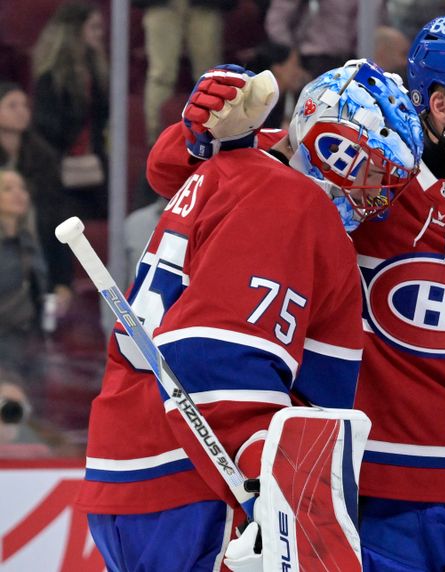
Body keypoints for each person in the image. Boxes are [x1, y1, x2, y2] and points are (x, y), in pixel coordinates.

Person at [155, 16, 445, 570]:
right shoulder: (361, 172)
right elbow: (192, 175)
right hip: (366, 500)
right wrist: (199, 131)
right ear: (439, 104)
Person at [77, 61, 423, 571]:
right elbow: (221, 353)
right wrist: (272, 483)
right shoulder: (291, 199)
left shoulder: (232, 169)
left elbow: (182, 162)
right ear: (333, 146)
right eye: (371, 170)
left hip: (136, 463)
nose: (376, 196)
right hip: (202, 480)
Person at [31, 0, 110, 221]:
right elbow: (48, 128)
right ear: (75, 31)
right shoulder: (50, 80)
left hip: (95, 169)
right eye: (93, 27)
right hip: (59, 174)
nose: (100, 34)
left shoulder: (99, 74)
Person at [0, 82, 72, 320]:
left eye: (24, 105)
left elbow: (57, 218)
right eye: (12, 105)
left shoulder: (43, 157)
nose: (22, 111)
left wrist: (63, 281)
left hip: (38, 251)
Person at [135, 0, 235, 144]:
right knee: (161, 75)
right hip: (162, 6)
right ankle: (157, 140)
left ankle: (213, 137)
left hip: (205, 6)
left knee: (210, 75)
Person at [0, 169, 49, 380]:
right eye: (8, 189)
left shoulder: (30, 242)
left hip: (31, 343)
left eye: (22, 188)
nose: (18, 194)